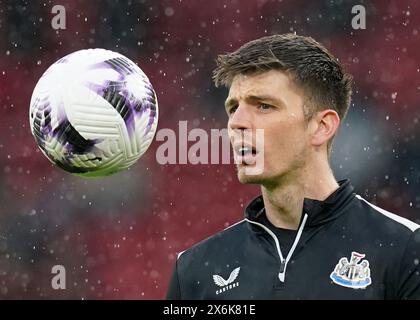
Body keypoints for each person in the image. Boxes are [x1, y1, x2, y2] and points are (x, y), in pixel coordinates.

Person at [166, 34, 420, 299]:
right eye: (233, 108)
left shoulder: (404, 249)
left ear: (321, 127)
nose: (236, 123)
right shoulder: (194, 270)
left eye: (263, 106)